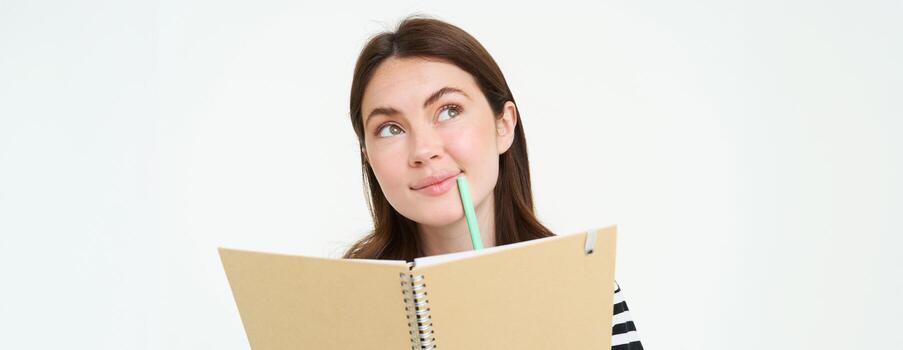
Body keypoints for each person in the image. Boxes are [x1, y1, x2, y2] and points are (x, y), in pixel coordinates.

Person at [343, 15, 644, 350]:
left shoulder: (582, 284)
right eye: (390, 128)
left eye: (449, 111)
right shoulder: (338, 301)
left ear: (504, 125)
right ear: (367, 155)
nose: (424, 151)